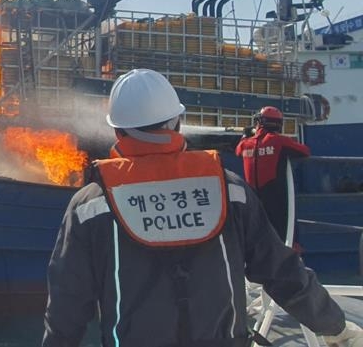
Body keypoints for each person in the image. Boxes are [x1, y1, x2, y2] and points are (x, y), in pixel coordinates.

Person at [42, 69, 362, 347]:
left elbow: (67, 306)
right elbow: (281, 271)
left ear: (117, 130)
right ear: (177, 123)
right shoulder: (228, 188)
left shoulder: (92, 205)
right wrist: (335, 326)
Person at [235, 106, 311, 241]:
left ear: (259, 122)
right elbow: (304, 151)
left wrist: (245, 136)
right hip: (275, 200)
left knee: (256, 236)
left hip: (252, 199)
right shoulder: (278, 141)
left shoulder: (246, 144)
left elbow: (238, 151)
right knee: (280, 235)